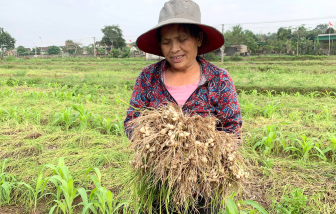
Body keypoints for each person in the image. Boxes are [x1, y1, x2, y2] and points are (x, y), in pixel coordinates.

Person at [124, 0, 242, 213]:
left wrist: (205, 149)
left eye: (182, 39)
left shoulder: (218, 79)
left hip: (205, 186)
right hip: (158, 183)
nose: (174, 49)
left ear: (198, 39)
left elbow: (233, 129)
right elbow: (131, 122)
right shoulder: (148, 78)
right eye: (166, 42)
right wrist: (158, 139)